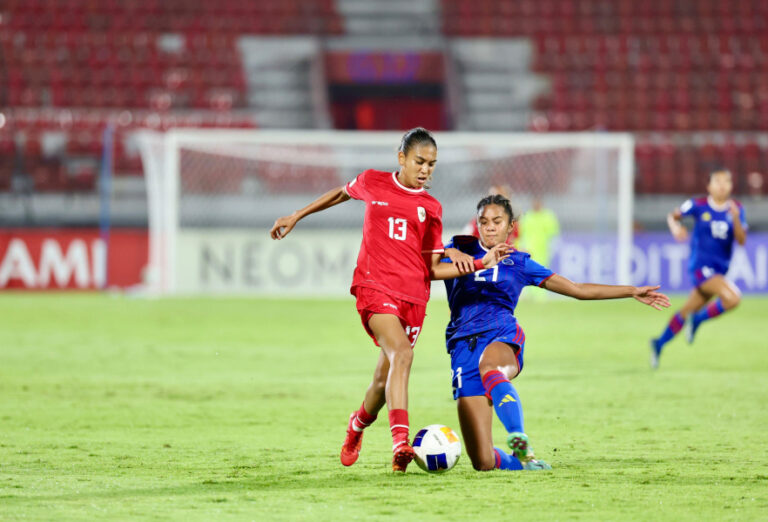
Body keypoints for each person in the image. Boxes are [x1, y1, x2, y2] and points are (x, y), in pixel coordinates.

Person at [269, 128, 509, 473]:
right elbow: (340, 193)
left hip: (413, 299)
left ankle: (357, 425)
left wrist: (476, 264)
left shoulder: (431, 207)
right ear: (402, 159)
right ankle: (401, 442)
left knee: (383, 383)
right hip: (373, 288)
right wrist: (296, 215)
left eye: (432, 164)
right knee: (403, 353)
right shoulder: (373, 181)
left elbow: (430, 267)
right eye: (419, 161)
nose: (426, 169)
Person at [442, 195, 670, 471]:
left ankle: (518, 435)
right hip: (462, 346)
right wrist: (448, 251)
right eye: (483, 222)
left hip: (499, 333)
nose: (489, 227)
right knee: (483, 460)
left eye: (497, 221)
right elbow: (422, 259)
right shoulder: (458, 247)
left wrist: (631, 290)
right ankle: (524, 464)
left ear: (511, 226)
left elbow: (576, 289)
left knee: (491, 367)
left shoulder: (520, 263)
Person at [650, 169, 747, 369]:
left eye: (726, 181)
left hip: (719, 270)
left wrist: (736, 218)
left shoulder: (737, 209)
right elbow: (673, 216)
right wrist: (676, 228)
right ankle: (698, 320)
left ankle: (659, 343)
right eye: (717, 181)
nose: (722, 185)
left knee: (686, 310)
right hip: (701, 267)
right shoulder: (697, 205)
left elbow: (741, 240)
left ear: (731, 186)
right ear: (709, 186)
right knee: (733, 298)